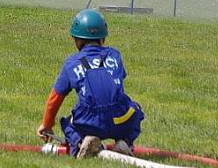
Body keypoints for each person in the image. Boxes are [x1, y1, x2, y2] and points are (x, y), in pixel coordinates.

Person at [36, 9, 144, 159]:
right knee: (135, 109)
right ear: (103, 38)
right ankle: (124, 143)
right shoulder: (114, 55)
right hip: (120, 119)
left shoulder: (72, 63)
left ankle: (81, 143)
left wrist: (46, 125)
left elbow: (54, 99)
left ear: (77, 40)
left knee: (67, 123)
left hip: (89, 121)